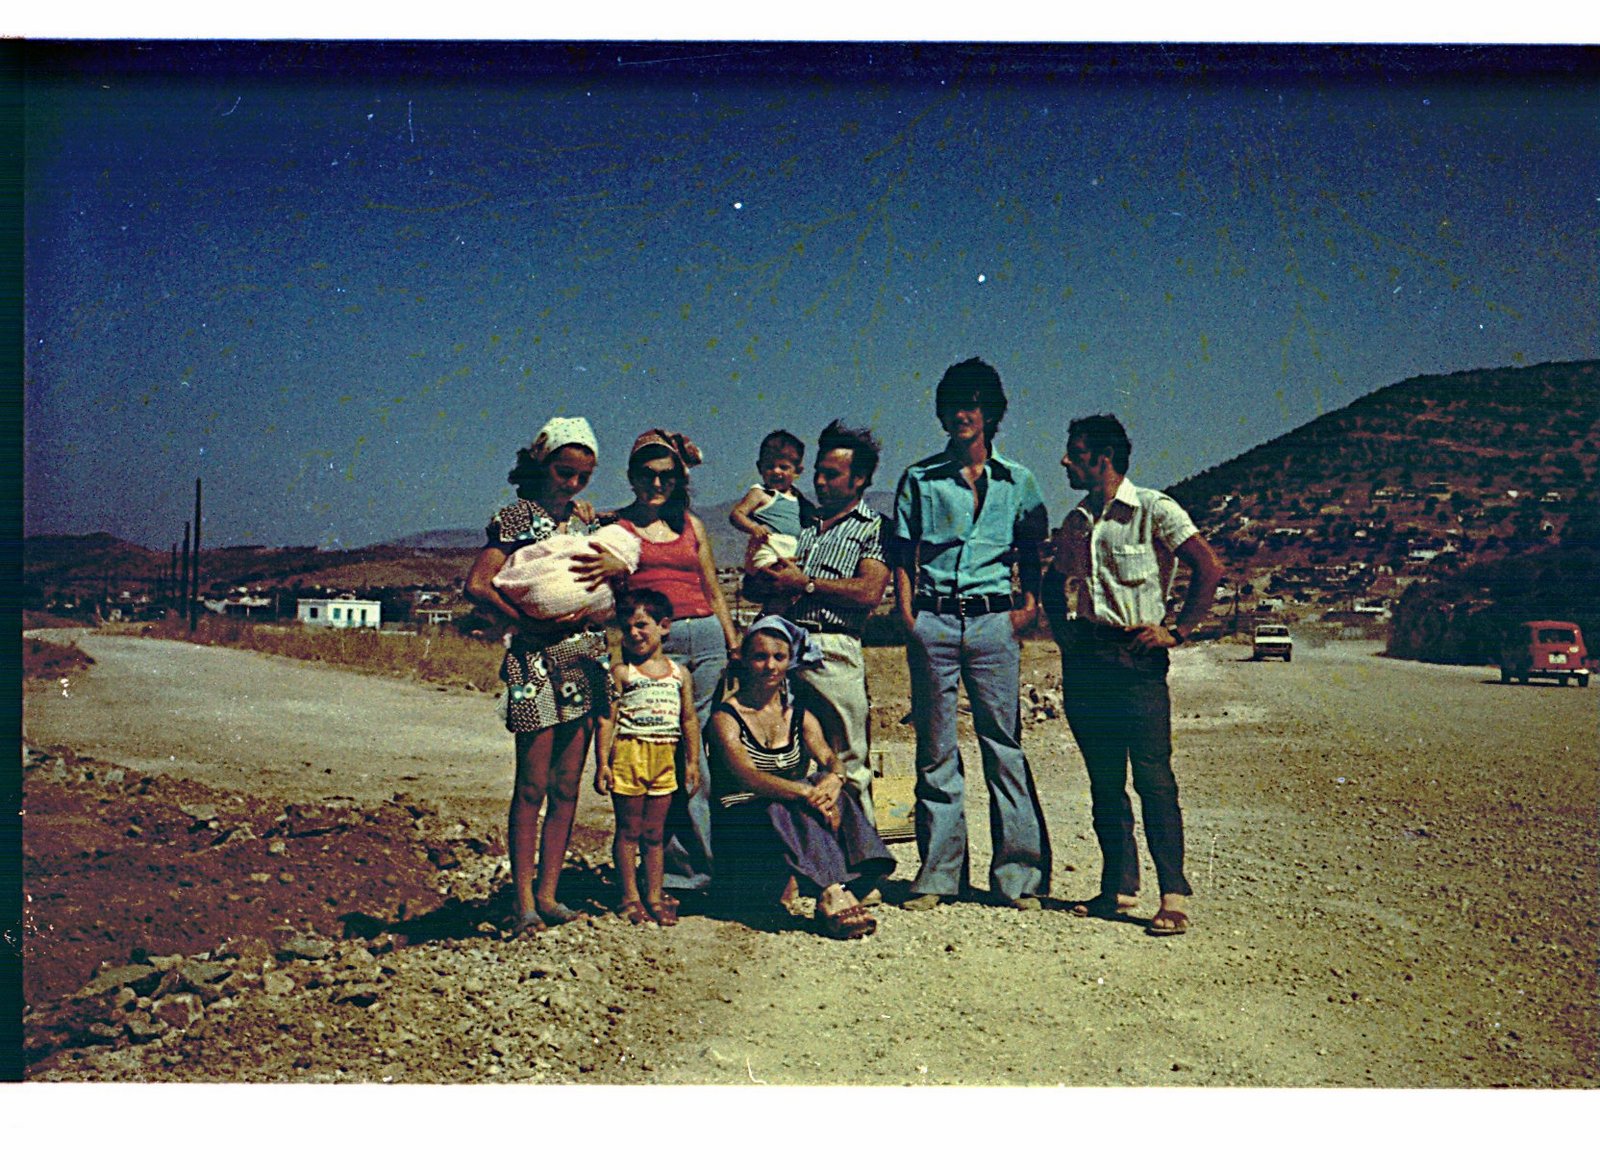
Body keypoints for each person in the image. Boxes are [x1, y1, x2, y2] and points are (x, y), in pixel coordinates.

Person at [1043, 413, 1225, 937]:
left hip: (1137, 659)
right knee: (1104, 782)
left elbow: (1208, 567)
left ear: (1103, 458)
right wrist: (1064, 633)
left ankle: (1173, 894)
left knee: (1152, 777)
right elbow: (1055, 580)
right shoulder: (1077, 521)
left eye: (1075, 452)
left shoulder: (1154, 509)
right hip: (1088, 660)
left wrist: (1178, 631)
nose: (1064, 461)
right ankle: (1118, 887)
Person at [888, 357, 1052, 911]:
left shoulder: (1019, 481)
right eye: (954, 404)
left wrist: (1027, 607)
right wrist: (909, 616)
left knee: (1004, 747)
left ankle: (1018, 878)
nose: (963, 414)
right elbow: (903, 554)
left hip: (993, 623)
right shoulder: (919, 479)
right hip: (933, 620)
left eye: (974, 404)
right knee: (936, 749)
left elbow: (1031, 551)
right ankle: (938, 876)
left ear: (990, 413)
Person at [464, 417, 631, 935]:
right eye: (565, 473)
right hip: (535, 661)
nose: (573, 484)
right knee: (532, 784)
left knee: (566, 785)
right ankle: (522, 904)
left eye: (584, 476)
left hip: (584, 656)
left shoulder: (586, 521)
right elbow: (478, 584)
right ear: (542, 464)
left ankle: (548, 894)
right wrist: (526, 622)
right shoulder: (515, 518)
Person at [707, 616, 894, 939]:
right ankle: (833, 891)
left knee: (827, 787)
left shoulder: (798, 715)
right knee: (787, 801)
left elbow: (829, 757)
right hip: (743, 816)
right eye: (760, 657)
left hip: (786, 812)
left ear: (790, 660)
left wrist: (834, 779)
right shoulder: (727, 716)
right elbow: (747, 777)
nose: (770, 666)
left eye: (778, 657)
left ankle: (854, 879)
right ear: (745, 660)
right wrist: (806, 793)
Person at [614, 428, 739, 894]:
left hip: (706, 640)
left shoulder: (692, 525)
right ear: (631, 477)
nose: (656, 483)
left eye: (666, 475)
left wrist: (732, 642)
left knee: (699, 752)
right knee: (666, 750)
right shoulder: (618, 529)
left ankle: (697, 869)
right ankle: (678, 870)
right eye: (647, 474)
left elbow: (713, 589)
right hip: (653, 646)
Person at [749, 419, 889, 830]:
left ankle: (861, 855)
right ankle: (800, 854)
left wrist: (806, 584)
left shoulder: (874, 527)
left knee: (846, 759)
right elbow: (754, 587)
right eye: (818, 473)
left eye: (832, 474)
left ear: (859, 479)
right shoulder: (800, 521)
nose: (820, 482)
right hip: (783, 649)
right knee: (779, 756)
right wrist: (764, 575)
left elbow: (869, 591)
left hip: (833, 648)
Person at [594, 589, 701, 927]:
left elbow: (688, 719)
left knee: (655, 832)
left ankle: (654, 895)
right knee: (629, 830)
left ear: (664, 626)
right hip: (630, 754)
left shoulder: (679, 674)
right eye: (627, 627)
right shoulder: (622, 673)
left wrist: (692, 762)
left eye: (642, 625)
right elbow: (607, 719)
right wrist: (603, 763)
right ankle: (629, 897)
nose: (634, 633)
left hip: (665, 757)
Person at [729, 429, 815, 574]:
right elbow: (736, 514)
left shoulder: (800, 499)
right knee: (772, 572)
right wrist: (754, 527)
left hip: (791, 550)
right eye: (769, 466)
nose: (776, 471)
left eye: (783, 467)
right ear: (760, 468)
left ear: (797, 471)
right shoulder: (761, 493)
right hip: (767, 548)